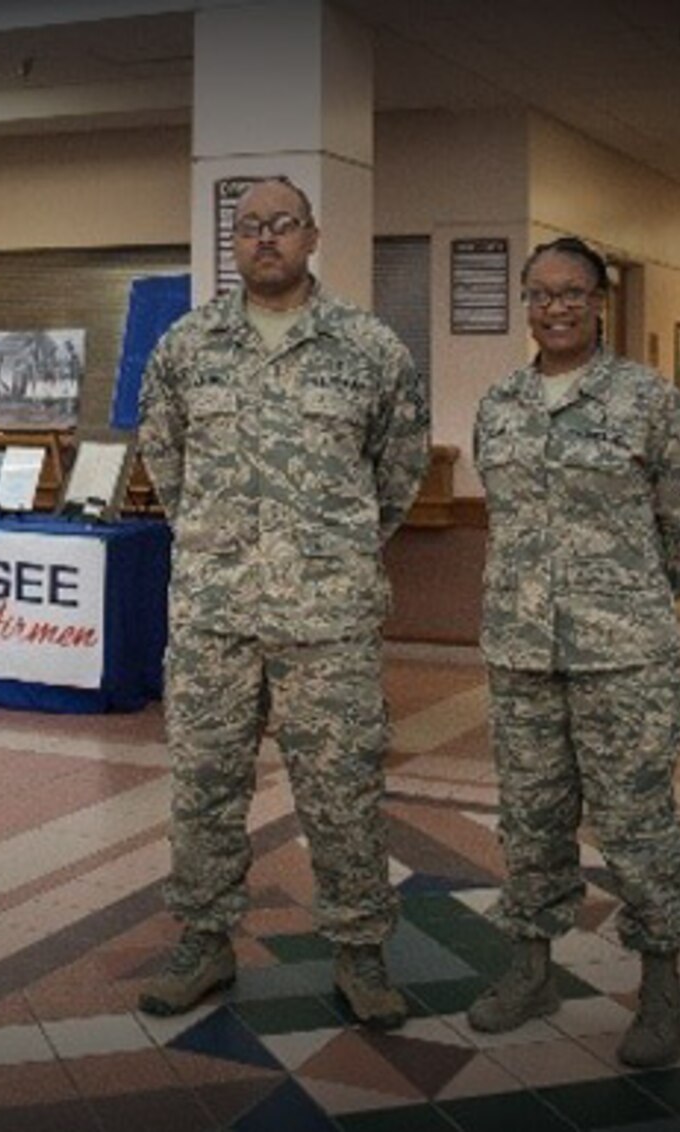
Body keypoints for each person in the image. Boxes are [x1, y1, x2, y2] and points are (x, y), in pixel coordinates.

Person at [135, 177, 432, 1030]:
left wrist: (330, 549)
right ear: (235, 242)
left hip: (327, 619)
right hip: (214, 615)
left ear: (313, 235)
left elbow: (398, 469)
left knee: (341, 790)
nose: (266, 238)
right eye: (249, 226)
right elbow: (167, 461)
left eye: (283, 225)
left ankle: (360, 950)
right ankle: (204, 940)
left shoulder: (369, 348)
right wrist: (222, 543)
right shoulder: (188, 346)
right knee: (203, 786)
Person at [468, 235, 680, 1068]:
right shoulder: (500, 403)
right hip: (521, 655)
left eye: (571, 291)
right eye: (538, 294)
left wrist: (629, 601)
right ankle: (532, 970)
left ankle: (662, 991)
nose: (555, 307)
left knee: (637, 826)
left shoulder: (648, 400)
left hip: (625, 660)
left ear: (600, 300)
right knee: (530, 822)